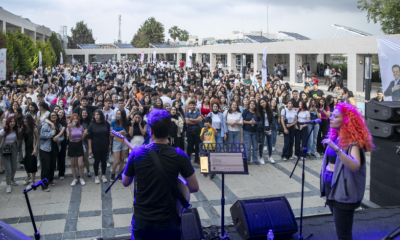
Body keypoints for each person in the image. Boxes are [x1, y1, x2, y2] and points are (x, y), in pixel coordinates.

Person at [122, 109, 199, 240]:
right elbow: (194, 187)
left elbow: (125, 181)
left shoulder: (137, 153)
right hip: (168, 220)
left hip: (142, 219)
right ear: (169, 131)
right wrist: (178, 182)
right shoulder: (179, 154)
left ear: (150, 130)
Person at [320, 102, 374, 239]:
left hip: (343, 191)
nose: (331, 118)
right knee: (339, 227)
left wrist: (336, 148)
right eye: (331, 115)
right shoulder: (335, 136)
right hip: (330, 185)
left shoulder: (352, 143)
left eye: (335, 116)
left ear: (345, 120)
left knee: (343, 233)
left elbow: (355, 166)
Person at [39, 112, 64, 192]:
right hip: (45, 148)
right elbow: (42, 135)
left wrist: (57, 139)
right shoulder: (46, 125)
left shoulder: (59, 125)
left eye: (55, 115)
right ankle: (44, 185)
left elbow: (62, 136)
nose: (53, 117)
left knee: (52, 165)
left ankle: (50, 179)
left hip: (55, 147)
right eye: (52, 116)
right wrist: (52, 133)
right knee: (46, 167)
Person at [88, 109, 111, 184]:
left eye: (98, 114)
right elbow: (89, 137)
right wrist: (90, 148)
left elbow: (109, 135)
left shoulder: (106, 123)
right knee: (96, 161)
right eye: (95, 115)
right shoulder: (91, 124)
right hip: (96, 145)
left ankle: (103, 175)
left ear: (101, 115)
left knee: (104, 160)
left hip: (104, 144)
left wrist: (109, 144)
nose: (97, 116)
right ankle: (96, 176)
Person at [67, 113, 87, 186]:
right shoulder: (69, 127)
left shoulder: (80, 127)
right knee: (73, 164)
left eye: (76, 119)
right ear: (71, 120)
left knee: (80, 164)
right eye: (73, 119)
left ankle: (81, 178)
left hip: (79, 144)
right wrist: (69, 129)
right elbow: (70, 137)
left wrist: (84, 134)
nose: (75, 120)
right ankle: (74, 178)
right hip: (72, 145)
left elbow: (82, 138)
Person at [1, 117, 19, 193]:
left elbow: (18, 138)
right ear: (8, 122)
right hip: (5, 148)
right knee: (8, 168)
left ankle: (12, 179)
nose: (12, 123)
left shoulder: (16, 130)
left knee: (14, 166)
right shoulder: (4, 130)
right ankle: (8, 184)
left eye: (14, 121)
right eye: (11, 121)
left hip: (14, 147)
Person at [110, 109, 129, 182]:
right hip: (116, 141)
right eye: (117, 114)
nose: (118, 115)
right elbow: (111, 133)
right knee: (117, 160)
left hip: (124, 140)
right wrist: (119, 132)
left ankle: (120, 173)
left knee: (122, 159)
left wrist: (125, 133)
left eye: (119, 114)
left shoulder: (125, 122)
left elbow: (127, 132)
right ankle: (113, 173)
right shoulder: (113, 122)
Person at [20, 115, 39, 186]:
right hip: (25, 149)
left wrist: (35, 149)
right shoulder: (23, 128)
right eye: (24, 122)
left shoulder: (34, 128)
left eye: (27, 122)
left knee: (33, 163)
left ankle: (33, 180)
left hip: (32, 147)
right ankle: (28, 176)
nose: (25, 123)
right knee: (26, 164)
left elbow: (37, 139)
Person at [242, 100, 261, 165]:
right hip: (247, 131)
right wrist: (249, 122)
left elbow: (261, 122)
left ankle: (255, 160)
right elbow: (242, 120)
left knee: (255, 147)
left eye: (253, 104)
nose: (252, 105)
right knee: (248, 147)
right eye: (251, 104)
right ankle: (247, 160)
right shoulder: (245, 111)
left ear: (255, 105)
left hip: (255, 132)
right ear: (249, 105)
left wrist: (256, 122)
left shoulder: (257, 113)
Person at [258, 98, 275, 164]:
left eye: (264, 102)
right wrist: (263, 130)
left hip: (269, 128)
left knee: (270, 143)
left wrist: (270, 128)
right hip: (262, 129)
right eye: (261, 103)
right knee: (261, 144)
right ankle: (261, 157)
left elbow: (272, 120)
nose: (263, 103)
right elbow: (259, 121)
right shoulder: (259, 111)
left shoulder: (269, 110)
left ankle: (270, 156)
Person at [185, 100, 202, 164]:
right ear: (189, 106)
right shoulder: (187, 113)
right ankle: (188, 158)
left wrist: (191, 119)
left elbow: (200, 120)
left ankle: (196, 159)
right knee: (190, 146)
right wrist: (196, 120)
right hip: (189, 131)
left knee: (197, 146)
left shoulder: (197, 112)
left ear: (195, 106)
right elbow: (187, 122)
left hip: (197, 131)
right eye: (191, 105)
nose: (192, 106)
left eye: (193, 105)